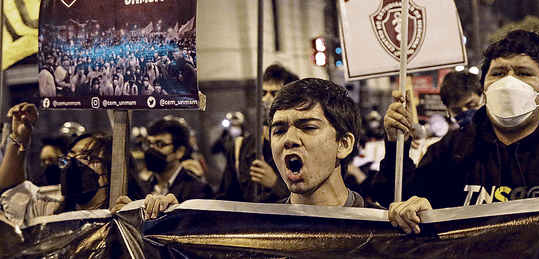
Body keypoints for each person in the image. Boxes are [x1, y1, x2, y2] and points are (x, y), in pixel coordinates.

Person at [375, 30, 539, 234]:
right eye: (498, 73)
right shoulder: (453, 149)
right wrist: (398, 142)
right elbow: (395, 198)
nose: (508, 81)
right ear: (484, 87)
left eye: (523, 73)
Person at [0, 103, 142, 227]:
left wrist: (130, 221)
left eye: (86, 157)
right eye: (69, 157)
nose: (72, 164)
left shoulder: (128, 214)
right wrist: (20, 138)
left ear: (111, 169)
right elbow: (12, 191)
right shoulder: (51, 209)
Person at [268, 78, 381, 208]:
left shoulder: (379, 226)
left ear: (344, 144)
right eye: (280, 131)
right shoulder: (262, 226)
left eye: (308, 128)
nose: (289, 139)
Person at [215, 64, 298, 202]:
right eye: (263, 93)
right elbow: (225, 199)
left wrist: (275, 184)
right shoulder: (241, 148)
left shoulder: (298, 145)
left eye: (275, 93)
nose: (266, 99)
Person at [140, 116, 214, 202]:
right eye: (148, 143)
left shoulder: (198, 191)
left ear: (179, 151)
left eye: (159, 144)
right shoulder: (140, 187)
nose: (151, 150)